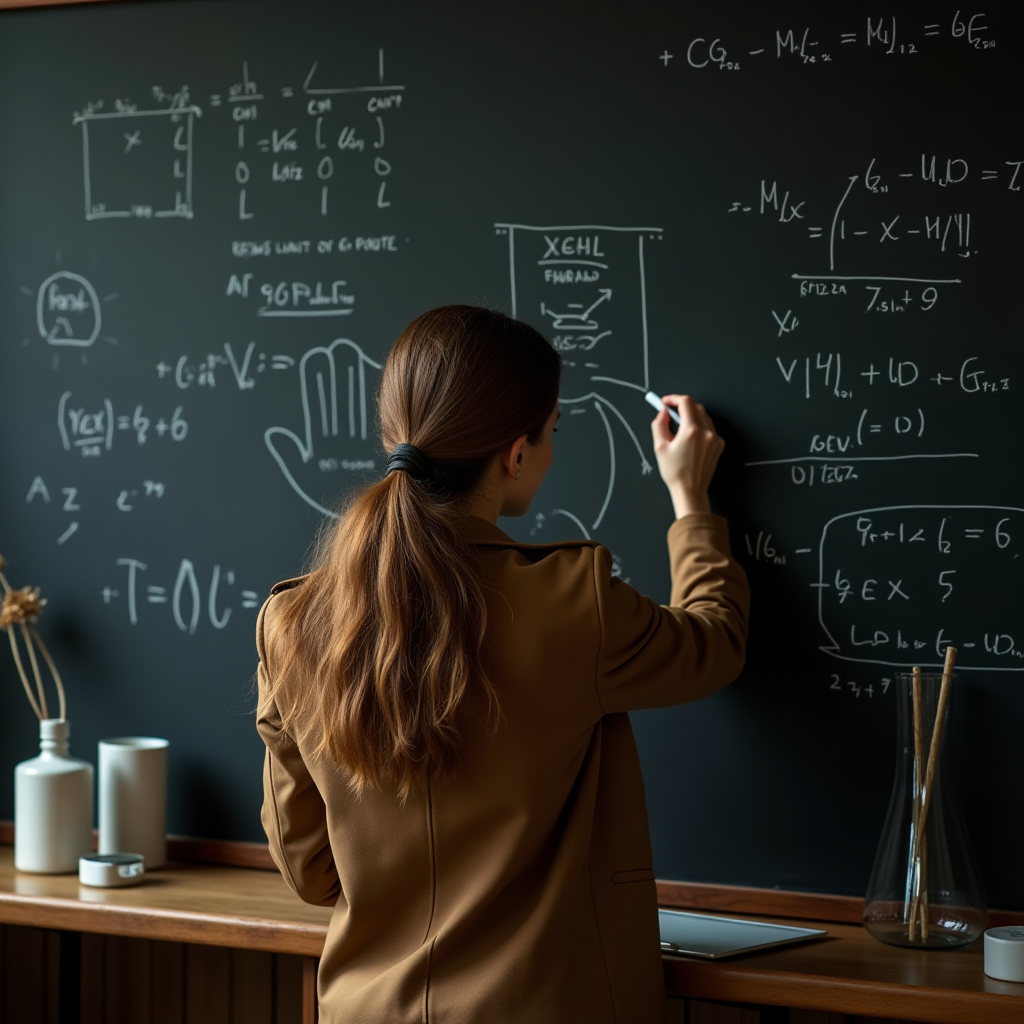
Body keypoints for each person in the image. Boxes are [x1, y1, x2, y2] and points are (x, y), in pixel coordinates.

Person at [256, 305, 748, 1024]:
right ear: (516, 453)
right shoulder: (573, 602)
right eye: (552, 432)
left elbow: (310, 870)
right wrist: (691, 501)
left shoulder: (293, 623)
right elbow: (715, 641)